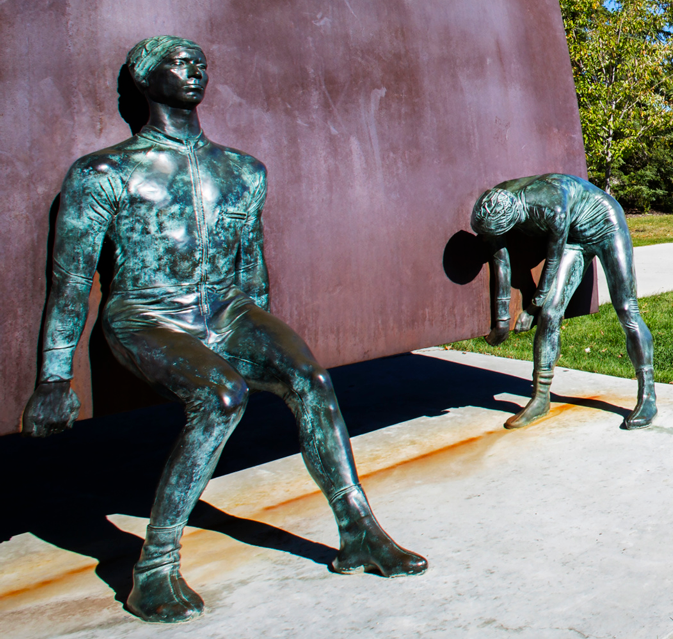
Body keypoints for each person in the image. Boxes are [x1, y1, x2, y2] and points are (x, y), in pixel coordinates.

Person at [26, 36, 427, 623]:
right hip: (145, 313)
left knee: (310, 377)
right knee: (221, 397)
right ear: (142, 78)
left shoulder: (242, 170)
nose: (195, 71)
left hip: (229, 310)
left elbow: (252, 272)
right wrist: (54, 376)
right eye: (178, 63)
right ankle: (154, 568)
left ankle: (359, 531)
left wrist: (264, 342)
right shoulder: (103, 172)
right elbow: (71, 279)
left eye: (201, 63)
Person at [474, 174, 659, 432]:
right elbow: (500, 260)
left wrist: (531, 308)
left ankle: (648, 395)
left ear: (517, 215)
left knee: (627, 309)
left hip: (607, 225)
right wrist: (501, 322)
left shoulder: (551, 206)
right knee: (550, 314)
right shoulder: (493, 204)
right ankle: (540, 398)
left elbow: (553, 259)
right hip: (576, 238)